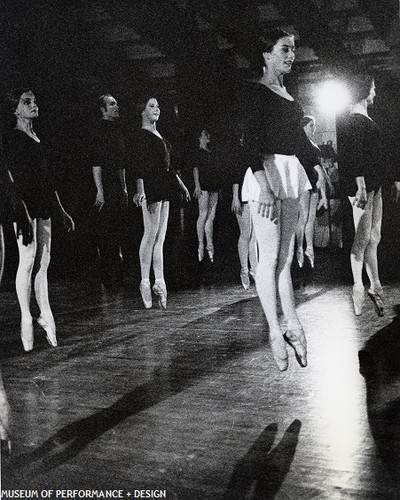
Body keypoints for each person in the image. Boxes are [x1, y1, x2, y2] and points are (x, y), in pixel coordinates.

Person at [240, 29, 322, 371]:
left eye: (293, 50)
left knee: (285, 259)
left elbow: (300, 144)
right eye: (284, 49)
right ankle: (275, 330)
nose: (291, 54)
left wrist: (319, 169)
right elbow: (248, 143)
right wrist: (266, 186)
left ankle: (292, 324)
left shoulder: (290, 96)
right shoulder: (256, 93)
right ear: (266, 55)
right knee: (269, 258)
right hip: (267, 177)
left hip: (289, 176)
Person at [2, 88, 75, 351]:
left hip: (42, 204)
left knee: (44, 261)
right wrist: (20, 212)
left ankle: (46, 315)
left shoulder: (37, 139)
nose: (34, 105)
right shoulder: (12, 139)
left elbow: (49, 180)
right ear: (15, 109)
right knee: (28, 260)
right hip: (23, 206)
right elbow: (10, 178)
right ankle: (26, 319)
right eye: (27, 102)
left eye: (34, 100)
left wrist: (61, 210)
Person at [337, 75, 400, 317]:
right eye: (372, 89)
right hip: (362, 187)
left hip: (374, 185)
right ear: (364, 91)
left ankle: (375, 286)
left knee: (375, 236)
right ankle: (357, 286)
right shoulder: (354, 120)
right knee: (361, 240)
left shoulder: (365, 118)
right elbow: (353, 156)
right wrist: (361, 186)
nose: (374, 93)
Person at [132, 96, 190, 309]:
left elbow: (169, 166)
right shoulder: (141, 136)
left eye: (157, 106)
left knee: (160, 238)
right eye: (151, 106)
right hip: (152, 187)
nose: (157, 109)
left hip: (165, 186)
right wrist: (140, 191)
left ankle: (160, 281)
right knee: (150, 234)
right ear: (142, 111)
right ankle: (144, 281)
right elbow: (138, 166)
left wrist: (181, 185)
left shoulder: (159, 136)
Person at [88, 94, 128, 289]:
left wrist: (125, 187)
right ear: (103, 109)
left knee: (118, 230)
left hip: (117, 185)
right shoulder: (98, 131)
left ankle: (118, 275)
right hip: (105, 184)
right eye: (112, 104)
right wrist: (99, 190)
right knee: (106, 232)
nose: (116, 106)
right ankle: (108, 276)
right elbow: (96, 162)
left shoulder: (118, 130)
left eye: (116, 103)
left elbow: (121, 163)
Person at [295, 116, 328, 269]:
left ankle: (309, 248)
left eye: (314, 126)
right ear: (303, 127)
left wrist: (324, 186)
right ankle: (299, 249)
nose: (313, 128)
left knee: (311, 219)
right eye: (310, 126)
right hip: (303, 183)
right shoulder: (299, 145)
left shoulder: (313, 145)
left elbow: (319, 166)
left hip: (314, 182)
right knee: (303, 216)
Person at [231, 134, 257, 290]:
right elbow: (236, 176)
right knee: (245, 234)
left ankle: (254, 269)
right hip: (243, 197)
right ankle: (244, 269)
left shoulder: (257, 154)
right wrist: (235, 198)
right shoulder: (239, 154)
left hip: (256, 197)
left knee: (254, 237)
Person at [193, 129, 219, 263]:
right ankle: (200, 244)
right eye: (202, 135)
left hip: (213, 185)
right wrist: (197, 185)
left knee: (211, 216)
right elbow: (195, 169)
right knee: (203, 214)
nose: (202, 137)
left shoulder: (211, 153)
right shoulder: (198, 153)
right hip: (203, 186)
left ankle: (210, 246)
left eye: (204, 135)